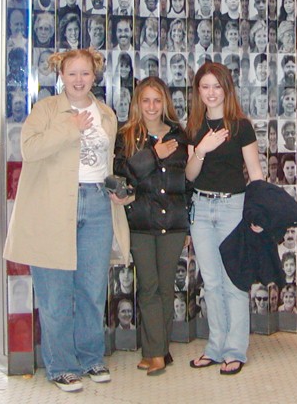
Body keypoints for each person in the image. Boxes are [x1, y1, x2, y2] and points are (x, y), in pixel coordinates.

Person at [3, 49, 130, 393]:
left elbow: (106, 162)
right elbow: (30, 150)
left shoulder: (105, 113)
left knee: (91, 289)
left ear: (95, 75)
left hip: (97, 203)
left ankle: (91, 358)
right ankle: (61, 366)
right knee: (55, 294)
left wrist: (118, 191)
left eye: (85, 73)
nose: (78, 80)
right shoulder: (46, 110)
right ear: (61, 76)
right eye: (72, 73)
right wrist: (69, 127)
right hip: (54, 208)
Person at [185, 62, 264, 376]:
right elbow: (190, 175)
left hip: (233, 207)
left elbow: (255, 172)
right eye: (205, 87)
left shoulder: (241, 126)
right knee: (212, 283)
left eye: (217, 86)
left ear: (226, 89)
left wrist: (258, 212)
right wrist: (201, 149)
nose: (211, 93)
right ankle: (215, 346)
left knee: (234, 282)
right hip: (201, 209)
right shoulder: (195, 125)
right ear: (198, 91)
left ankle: (235, 350)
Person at [111, 77, 189, 375]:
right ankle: (156, 351)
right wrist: (155, 155)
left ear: (165, 102)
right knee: (148, 286)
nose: (152, 107)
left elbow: (187, 183)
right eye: (146, 100)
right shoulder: (127, 135)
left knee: (166, 287)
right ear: (137, 103)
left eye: (157, 100)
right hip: (141, 222)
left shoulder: (180, 136)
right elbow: (122, 172)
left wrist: (188, 224)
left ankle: (158, 350)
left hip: (174, 223)